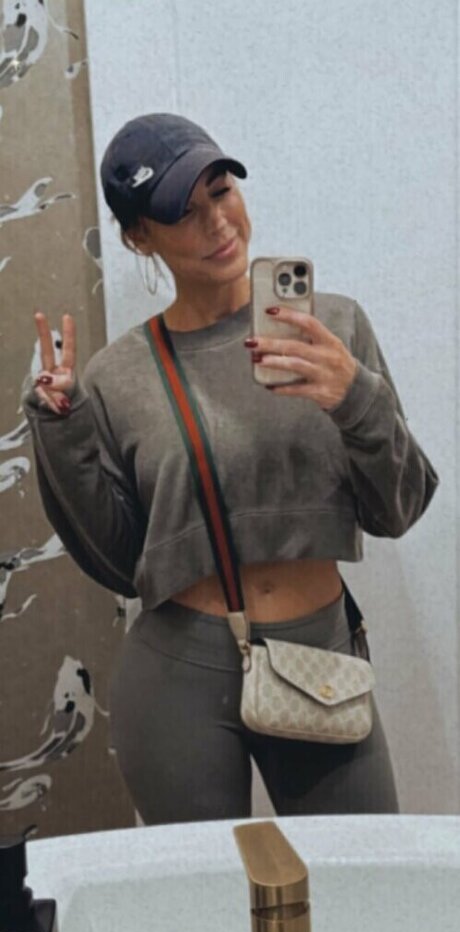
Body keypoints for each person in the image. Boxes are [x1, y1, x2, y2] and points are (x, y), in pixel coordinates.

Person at [23, 113, 439, 824]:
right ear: (139, 236)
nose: (217, 222)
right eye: (183, 212)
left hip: (322, 659)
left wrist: (355, 398)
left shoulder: (332, 329)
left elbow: (397, 509)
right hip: (178, 675)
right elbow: (119, 560)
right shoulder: (118, 376)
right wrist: (62, 429)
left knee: (356, 876)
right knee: (207, 888)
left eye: (221, 191)